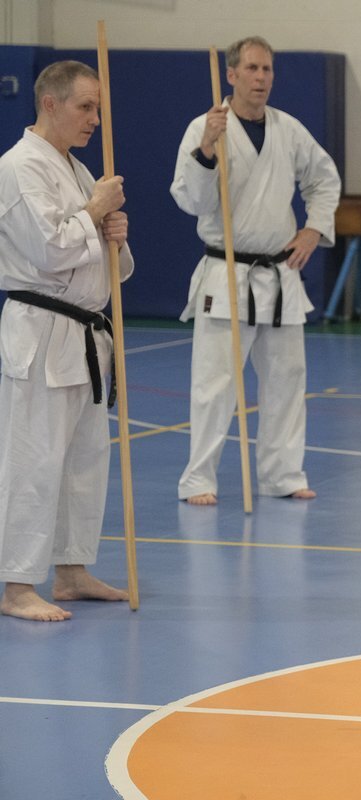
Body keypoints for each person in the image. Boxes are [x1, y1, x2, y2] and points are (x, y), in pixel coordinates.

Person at [172, 35, 340, 505]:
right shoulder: (206, 128)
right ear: (231, 75)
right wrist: (206, 150)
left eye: (267, 69)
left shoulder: (288, 129)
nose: (261, 78)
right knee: (215, 386)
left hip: (280, 273)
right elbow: (191, 200)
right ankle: (198, 479)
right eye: (252, 69)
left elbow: (324, 179)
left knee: (288, 380)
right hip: (226, 273)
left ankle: (283, 474)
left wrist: (313, 230)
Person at [0, 61, 133, 622]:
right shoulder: (18, 167)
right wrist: (95, 212)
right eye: (85, 107)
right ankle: (15, 585)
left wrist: (114, 238)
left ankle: (72, 570)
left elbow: (113, 271)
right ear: (49, 104)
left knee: (83, 460)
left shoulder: (76, 169)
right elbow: (50, 250)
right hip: (41, 329)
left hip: (84, 332)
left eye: (98, 108)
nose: (95, 120)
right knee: (33, 460)